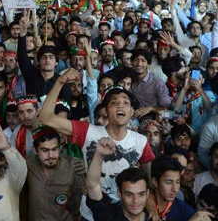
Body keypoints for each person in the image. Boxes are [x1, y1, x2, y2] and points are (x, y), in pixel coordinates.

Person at [39, 71, 155, 220]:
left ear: (131, 111)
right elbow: (45, 117)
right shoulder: (87, 131)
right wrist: (60, 82)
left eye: (126, 103)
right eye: (114, 102)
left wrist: (151, 205)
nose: (120, 105)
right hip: (90, 214)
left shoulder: (141, 141)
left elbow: (147, 183)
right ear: (106, 111)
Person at [26, 126, 85, 221]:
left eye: (54, 149)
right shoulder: (27, 165)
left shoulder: (73, 167)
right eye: (45, 150)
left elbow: (80, 201)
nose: (51, 156)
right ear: (35, 150)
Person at [84, 137, 151, 221]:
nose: (136, 201)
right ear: (119, 193)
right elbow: (92, 184)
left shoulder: (154, 218)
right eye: (129, 194)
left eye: (141, 194)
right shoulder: (107, 215)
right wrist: (99, 155)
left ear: (147, 194)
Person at [147, 154, 196, 221]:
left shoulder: (187, 212)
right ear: (155, 181)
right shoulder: (139, 208)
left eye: (177, 182)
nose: (175, 189)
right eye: (169, 182)